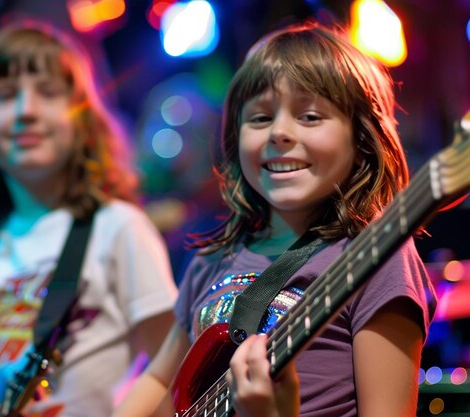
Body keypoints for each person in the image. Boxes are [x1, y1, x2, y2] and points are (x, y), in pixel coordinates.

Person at [113, 22, 437, 417]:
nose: (279, 132)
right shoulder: (214, 258)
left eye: (310, 116)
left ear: (362, 138)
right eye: (261, 118)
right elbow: (161, 380)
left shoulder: (378, 258)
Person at [0, 21, 178, 417]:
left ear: (82, 125)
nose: (26, 111)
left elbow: (172, 375)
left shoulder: (118, 227)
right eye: (6, 96)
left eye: (48, 93)